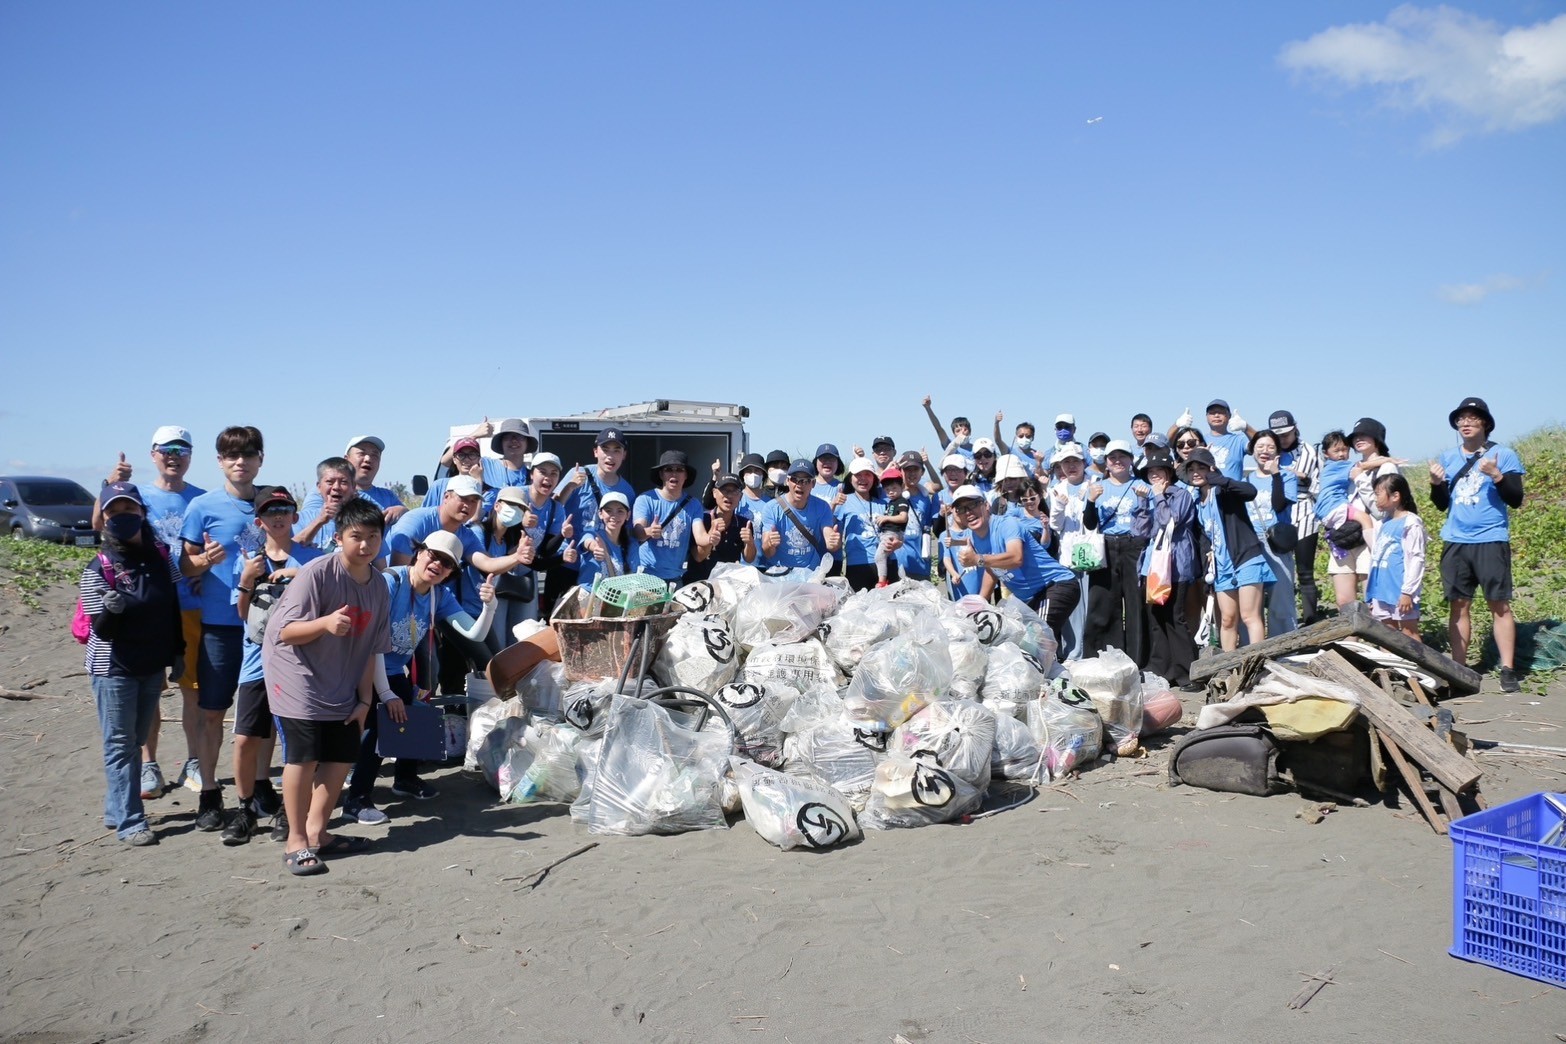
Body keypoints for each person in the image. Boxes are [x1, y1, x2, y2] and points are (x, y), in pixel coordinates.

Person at [261, 497, 392, 876]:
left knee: (340, 757)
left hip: (342, 680)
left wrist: (366, 699)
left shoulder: (380, 585)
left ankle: (320, 833)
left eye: (373, 536)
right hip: (296, 677)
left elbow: (372, 647)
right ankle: (296, 840)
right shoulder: (317, 573)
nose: (365, 545)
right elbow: (285, 631)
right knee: (303, 758)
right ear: (338, 538)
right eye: (356, 536)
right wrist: (324, 624)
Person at [344, 530, 496, 824]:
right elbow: (371, 642)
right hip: (362, 666)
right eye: (433, 555)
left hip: (392, 670)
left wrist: (489, 608)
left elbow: (473, 633)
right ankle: (357, 798)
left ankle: (405, 779)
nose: (438, 564)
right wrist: (386, 694)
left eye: (447, 563)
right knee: (381, 726)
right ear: (420, 552)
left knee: (415, 713)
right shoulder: (391, 582)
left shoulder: (440, 594)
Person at [95, 425, 205, 800]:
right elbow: (101, 528)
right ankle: (149, 765)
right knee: (149, 693)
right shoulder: (136, 496)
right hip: (146, 611)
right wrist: (108, 484)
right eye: (165, 449)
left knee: (193, 689)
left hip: (190, 607)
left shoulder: (201, 499)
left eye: (182, 449)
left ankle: (194, 761)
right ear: (153, 454)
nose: (174, 455)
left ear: (191, 455)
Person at [80, 482, 184, 846]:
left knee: (136, 739)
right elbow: (101, 631)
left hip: (151, 663)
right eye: (114, 512)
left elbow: (172, 607)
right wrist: (110, 610)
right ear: (104, 518)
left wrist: (179, 653)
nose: (122, 517)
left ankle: (115, 809)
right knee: (120, 743)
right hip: (113, 667)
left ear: (142, 512)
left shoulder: (161, 555)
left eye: (129, 510)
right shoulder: (99, 567)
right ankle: (130, 822)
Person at [180, 425, 268, 833]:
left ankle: (262, 786)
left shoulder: (272, 502)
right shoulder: (202, 506)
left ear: (260, 459)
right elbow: (184, 565)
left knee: (265, 714)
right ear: (219, 461)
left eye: (248, 454)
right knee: (212, 712)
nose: (240, 462)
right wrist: (202, 563)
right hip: (218, 626)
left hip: (263, 628)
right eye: (231, 455)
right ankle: (209, 794)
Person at [227, 486, 324, 845]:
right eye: (270, 511)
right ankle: (245, 809)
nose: (278, 515)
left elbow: (326, 599)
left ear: (295, 516)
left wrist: (298, 577)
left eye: (284, 508)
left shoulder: (312, 559)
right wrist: (246, 581)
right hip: (255, 661)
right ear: (259, 521)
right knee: (244, 739)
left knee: (296, 742)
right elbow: (241, 614)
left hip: (299, 662)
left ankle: (289, 810)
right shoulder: (248, 560)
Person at [1430, 396, 1527, 691]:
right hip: (1456, 540)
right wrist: (1436, 485)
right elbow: (1441, 504)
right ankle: (1459, 669)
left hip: (1491, 538)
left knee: (1499, 605)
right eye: (1461, 419)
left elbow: (1516, 498)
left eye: (1472, 418)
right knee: (1458, 605)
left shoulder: (1504, 454)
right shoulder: (1447, 457)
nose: (1465, 423)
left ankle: (1507, 669)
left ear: (1485, 423)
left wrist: (1496, 475)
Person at [946, 485, 1080, 641]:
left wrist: (977, 559)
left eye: (973, 505)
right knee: (1013, 639)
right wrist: (980, 602)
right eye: (961, 509)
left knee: (1037, 640)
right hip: (1028, 597)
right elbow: (991, 569)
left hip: (1055, 585)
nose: (968, 512)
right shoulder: (972, 537)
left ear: (986, 505)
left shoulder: (1007, 524)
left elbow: (1016, 558)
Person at [1181, 447, 1269, 651]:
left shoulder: (1224, 490)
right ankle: (1227, 666)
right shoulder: (1196, 500)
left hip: (1246, 557)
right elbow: (1204, 535)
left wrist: (1218, 479)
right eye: (1191, 468)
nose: (1195, 472)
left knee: (1250, 615)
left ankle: (1258, 664)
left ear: (1211, 468)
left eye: (1201, 468)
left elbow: (1250, 492)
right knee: (1227, 619)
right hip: (1221, 565)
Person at [1082, 440, 1152, 664]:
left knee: (1135, 605)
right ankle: (1099, 657)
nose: (1118, 461)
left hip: (1133, 545)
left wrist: (1143, 500)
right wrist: (1091, 501)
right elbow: (1090, 523)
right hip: (1107, 545)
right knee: (1102, 603)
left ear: (1131, 460)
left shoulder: (1142, 485)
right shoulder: (1097, 486)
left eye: (1123, 457)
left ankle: (1136, 660)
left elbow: (1149, 522)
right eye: (1113, 458)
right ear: (1107, 462)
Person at [556, 427, 634, 615]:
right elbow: (554, 507)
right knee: (558, 622)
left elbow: (626, 534)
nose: (610, 456)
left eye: (617, 450)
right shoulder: (578, 474)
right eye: (605, 449)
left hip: (598, 572)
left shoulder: (628, 491)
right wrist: (571, 486)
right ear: (595, 452)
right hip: (567, 562)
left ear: (624, 455)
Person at [1329, 418, 1401, 609]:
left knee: (1373, 600)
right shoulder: (1351, 467)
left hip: (1371, 539)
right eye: (1355, 436)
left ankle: (1374, 638)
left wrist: (1360, 479)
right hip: (1345, 538)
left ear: (1377, 439)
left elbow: (1381, 509)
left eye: (1364, 435)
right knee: (1344, 602)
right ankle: (1350, 639)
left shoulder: (1387, 468)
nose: (1358, 439)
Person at [1141, 452, 1199, 686]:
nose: (1154, 475)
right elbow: (1141, 530)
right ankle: (1162, 670)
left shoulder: (1181, 495)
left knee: (1176, 618)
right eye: (1150, 472)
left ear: (1169, 474)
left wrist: (1158, 498)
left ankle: (1188, 673)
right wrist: (1142, 504)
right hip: (1154, 567)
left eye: (1159, 471)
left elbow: (1170, 522)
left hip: (1176, 566)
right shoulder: (1152, 496)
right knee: (1157, 618)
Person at [1270, 410, 1324, 624]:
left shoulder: (1309, 452)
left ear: (1295, 428)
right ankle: (1284, 621)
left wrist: (1305, 478)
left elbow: (1320, 488)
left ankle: (1311, 623)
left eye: (1286, 434)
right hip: (1276, 514)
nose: (1283, 439)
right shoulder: (1270, 450)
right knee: (1279, 572)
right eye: (1278, 435)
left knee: (1305, 572)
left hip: (1304, 511)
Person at [1245, 429, 1299, 638]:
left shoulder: (1286, 476)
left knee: (1281, 601)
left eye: (1270, 447)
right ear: (1253, 450)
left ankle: (1286, 650)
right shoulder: (1247, 480)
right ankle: (1251, 652)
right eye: (1260, 446)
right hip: (1252, 545)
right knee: (1252, 602)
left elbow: (1278, 505)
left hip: (1275, 543)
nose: (1264, 451)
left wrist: (1275, 474)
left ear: (1277, 451)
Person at [482, 486, 546, 653]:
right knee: (492, 652)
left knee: (505, 648)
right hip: (477, 605)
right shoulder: (480, 532)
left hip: (496, 599)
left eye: (520, 508)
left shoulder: (508, 538)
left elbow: (534, 563)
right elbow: (486, 566)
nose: (514, 511)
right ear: (496, 505)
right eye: (510, 504)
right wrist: (516, 556)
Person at [1047, 442, 1093, 660]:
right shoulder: (1056, 489)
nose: (1071, 465)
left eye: (1075, 461)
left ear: (1084, 463)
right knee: (1072, 607)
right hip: (1067, 555)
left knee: (1090, 604)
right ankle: (1072, 653)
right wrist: (1058, 505)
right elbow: (1056, 525)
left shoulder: (1094, 483)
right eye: (1066, 462)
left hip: (1092, 553)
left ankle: (1089, 650)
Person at [1368, 474, 1427, 641]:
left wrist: (1407, 592)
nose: (1375, 499)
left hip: (1400, 589)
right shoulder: (1382, 523)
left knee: (1409, 632)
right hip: (1381, 590)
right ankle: (1389, 667)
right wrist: (1372, 592)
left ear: (1395, 496)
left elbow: (1416, 559)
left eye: (1378, 494)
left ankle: (1417, 667)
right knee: (1386, 634)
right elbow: (1376, 558)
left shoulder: (1411, 523)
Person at [754, 459, 842, 570]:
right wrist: (770, 544)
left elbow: (829, 537)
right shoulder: (771, 508)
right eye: (795, 480)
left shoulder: (822, 507)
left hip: (810, 573)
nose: (799, 485)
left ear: (813, 483)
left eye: (805, 481)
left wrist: (834, 542)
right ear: (787, 481)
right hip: (780, 573)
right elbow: (768, 553)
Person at [632, 450, 704, 585]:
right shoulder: (646, 499)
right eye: (668, 469)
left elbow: (701, 537)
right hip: (646, 577)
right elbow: (637, 531)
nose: (674, 474)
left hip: (676, 580)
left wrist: (712, 537)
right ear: (661, 474)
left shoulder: (694, 505)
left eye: (680, 470)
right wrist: (648, 531)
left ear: (686, 475)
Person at [835, 457, 902, 591]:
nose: (863, 479)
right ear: (850, 478)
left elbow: (897, 532)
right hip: (858, 565)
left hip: (888, 562)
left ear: (874, 478)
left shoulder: (884, 504)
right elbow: (831, 529)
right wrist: (832, 505)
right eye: (858, 475)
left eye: (867, 474)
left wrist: (897, 543)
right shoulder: (843, 502)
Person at [687, 473, 748, 583]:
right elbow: (698, 556)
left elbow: (749, 558)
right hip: (697, 585)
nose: (729, 495)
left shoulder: (744, 524)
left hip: (727, 586)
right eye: (725, 490)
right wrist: (711, 536)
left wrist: (750, 542)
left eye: (734, 491)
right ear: (714, 493)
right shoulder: (701, 519)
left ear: (740, 496)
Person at [576, 492, 634, 591]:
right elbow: (587, 541)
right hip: (589, 597)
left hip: (615, 601)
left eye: (620, 511)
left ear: (628, 515)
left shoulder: (632, 544)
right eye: (608, 511)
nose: (614, 516)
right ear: (600, 514)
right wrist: (595, 548)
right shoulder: (593, 533)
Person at [877, 465, 919, 585]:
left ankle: (882, 582)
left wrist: (885, 518)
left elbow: (903, 517)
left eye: (894, 488)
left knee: (879, 556)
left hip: (892, 533)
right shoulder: (892, 502)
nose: (891, 492)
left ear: (902, 487)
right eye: (887, 489)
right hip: (888, 533)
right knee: (884, 556)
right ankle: (885, 580)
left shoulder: (901, 501)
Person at [482, 418, 535, 489]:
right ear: (501, 442)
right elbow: (463, 458)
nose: (514, 440)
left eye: (520, 436)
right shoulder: (486, 466)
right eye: (508, 436)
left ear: (527, 443)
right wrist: (474, 436)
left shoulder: (533, 478)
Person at [921, 395, 975, 466]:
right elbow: (938, 428)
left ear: (970, 431)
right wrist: (928, 408)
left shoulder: (977, 449)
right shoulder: (950, 445)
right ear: (954, 434)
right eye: (958, 431)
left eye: (964, 429)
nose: (962, 433)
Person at [734, 452, 772, 521]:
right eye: (749, 471)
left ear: (763, 475)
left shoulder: (770, 503)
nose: (753, 474)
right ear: (743, 475)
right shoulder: (736, 499)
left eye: (757, 471)